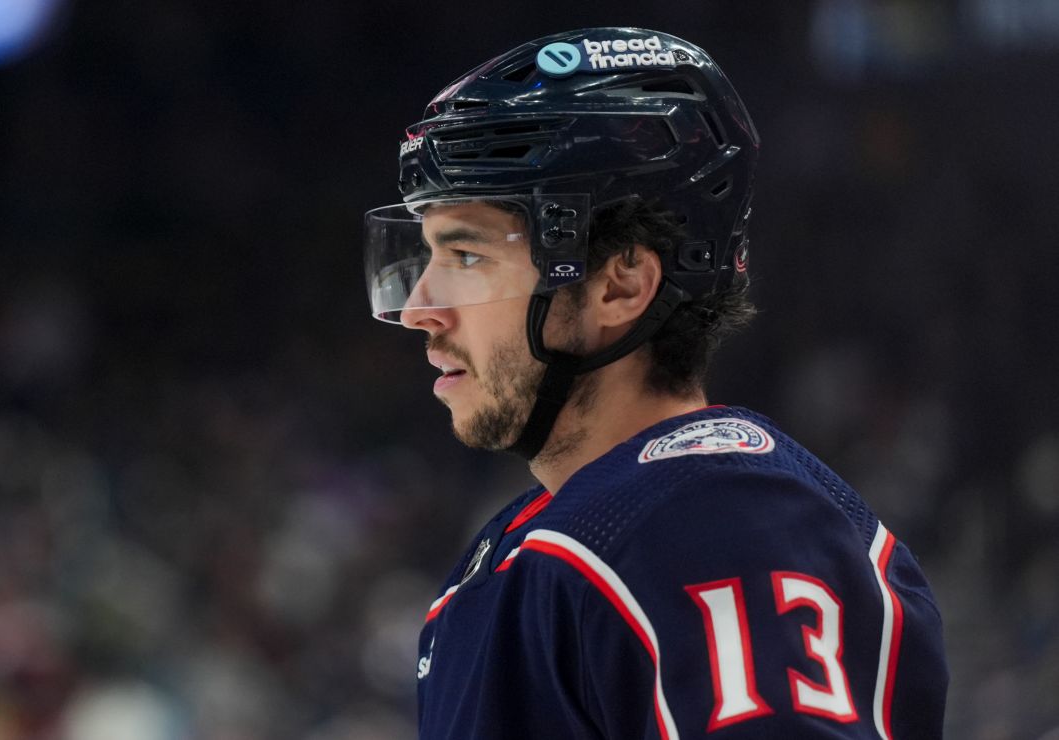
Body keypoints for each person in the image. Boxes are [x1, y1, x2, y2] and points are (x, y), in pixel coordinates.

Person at [363, 27, 948, 739]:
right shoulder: (559, 534)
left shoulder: (723, 529)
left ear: (620, 284)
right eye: (428, 253)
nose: (422, 308)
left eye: (466, 253)